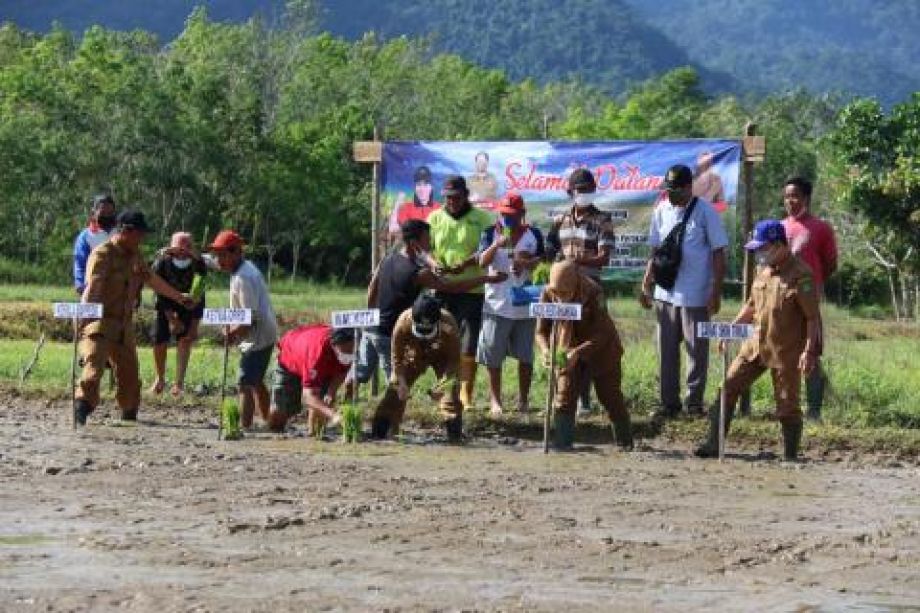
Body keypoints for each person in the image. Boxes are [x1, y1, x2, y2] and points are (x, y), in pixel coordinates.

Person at [695, 220, 821, 461]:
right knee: (727, 388)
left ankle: (790, 456)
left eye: (763, 248)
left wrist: (809, 351)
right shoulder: (762, 271)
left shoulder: (801, 274)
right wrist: (731, 331)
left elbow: (812, 317)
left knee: (787, 406)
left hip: (785, 351)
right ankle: (714, 444)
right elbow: (751, 306)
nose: (760, 254)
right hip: (753, 346)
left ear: (778, 245)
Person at [352, 219, 506, 389]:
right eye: (426, 239)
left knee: (359, 373)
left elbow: (372, 288)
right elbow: (452, 287)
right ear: (414, 243)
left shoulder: (388, 259)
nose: (430, 243)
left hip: (372, 326)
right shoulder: (419, 273)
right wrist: (487, 278)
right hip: (390, 332)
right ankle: (392, 413)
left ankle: (345, 401)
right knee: (397, 380)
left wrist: (371, 315)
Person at [74, 211, 195, 425]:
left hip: (123, 325)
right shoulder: (103, 254)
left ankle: (129, 417)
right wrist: (82, 322)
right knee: (93, 370)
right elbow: (92, 288)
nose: (142, 239)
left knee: (130, 379)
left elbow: (152, 280)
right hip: (99, 322)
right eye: (139, 234)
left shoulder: (135, 256)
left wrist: (179, 297)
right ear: (126, 231)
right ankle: (80, 413)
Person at [639, 164, 728, 419]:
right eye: (668, 189)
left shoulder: (705, 213)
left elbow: (718, 252)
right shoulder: (661, 210)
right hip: (665, 294)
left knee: (696, 350)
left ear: (689, 187)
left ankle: (694, 402)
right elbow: (655, 251)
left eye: (676, 189)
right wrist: (647, 282)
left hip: (695, 294)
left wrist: (716, 290)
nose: (671, 194)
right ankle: (669, 403)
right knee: (666, 350)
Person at [535, 261, 633, 451]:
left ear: (575, 283)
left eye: (565, 293)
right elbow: (540, 331)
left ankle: (625, 443)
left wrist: (578, 353)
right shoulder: (548, 293)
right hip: (566, 349)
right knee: (563, 398)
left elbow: (602, 334)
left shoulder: (593, 293)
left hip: (601, 353)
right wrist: (546, 350)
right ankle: (563, 447)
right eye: (556, 293)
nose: (560, 298)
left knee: (610, 397)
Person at [546, 168, 615, 415]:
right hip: (564, 293)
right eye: (580, 190)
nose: (584, 194)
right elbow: (551, 249)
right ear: (570, 192)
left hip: (591, 291)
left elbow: (604, 257)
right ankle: (564, 396)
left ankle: (585, 400)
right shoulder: (560, 220)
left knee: (589, 344)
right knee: (564, 341)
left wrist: (577, 263)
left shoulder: (602, 220)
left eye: (588, 190)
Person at [427, 175, 495, 410]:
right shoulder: (434, 218)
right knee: (441, 341)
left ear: (466, 195)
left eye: (456, 197)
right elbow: (426, 249)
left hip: (472, 289)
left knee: (468, 343)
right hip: (442, 289)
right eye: (448, 198)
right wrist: (434, 262)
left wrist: (466, 264)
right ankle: (444, 390)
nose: (452, 202)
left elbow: (487, 251)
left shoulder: (483, 219)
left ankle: (466, 394)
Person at [476, 193, 545, 415]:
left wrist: (525, 262)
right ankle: (496, 401)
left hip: (524, 304)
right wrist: (496, 245)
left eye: (512, 215)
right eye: (504, 214)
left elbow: (542, 261)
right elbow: (481, 262)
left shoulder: (534, 234)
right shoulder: (490, 233)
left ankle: (523, 401)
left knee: (525, 356)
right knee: (493, 355)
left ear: (522, 214)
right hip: (496, 304)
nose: (507, 218)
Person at [208, 230, 279, 430]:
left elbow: (249, 317)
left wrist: (232, 333)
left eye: (222, 255)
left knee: (244, 382)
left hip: (258, 336)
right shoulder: (240, 269)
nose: (218, 260)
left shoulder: (244, 278)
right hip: (262, 332)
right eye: (217, 255)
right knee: (256, 380)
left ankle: (243, 427)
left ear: (237, 253)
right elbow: (243, 314)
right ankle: (268, 420)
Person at [781, 176, 837, 422]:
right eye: (786, 196)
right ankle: (785, 406)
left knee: (810, 351)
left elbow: (830, 263)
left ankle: (814, 411)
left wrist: (812, 286)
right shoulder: (779, 227)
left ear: (806, 198)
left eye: (794, 196)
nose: (790, 201)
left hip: (808, 301)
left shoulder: (820, 228)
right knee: (781, 351)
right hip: (781, 299)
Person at [371, 295, 463, 441]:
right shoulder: (402, 323)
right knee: (394, 391)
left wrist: (443, 383)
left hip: (442, 357)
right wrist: (401, 382)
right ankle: (379, 432)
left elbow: (454, 360)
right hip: (413, 355)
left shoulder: (449, 325)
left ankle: (454, 436)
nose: (424, 334)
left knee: (450, 394)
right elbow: (397, 358)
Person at [148, 232, 208, 396]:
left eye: (187, 247)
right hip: (164, 304)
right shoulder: (161, 263)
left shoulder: (198, 264)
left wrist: (194, 324)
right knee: (159, 341)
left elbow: (199, 293)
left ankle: (178, 384)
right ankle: (159, 379)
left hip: (189, 304)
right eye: (179, 247)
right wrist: (172, 319)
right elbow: (158, 292)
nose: (183, 251)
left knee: (185, 340)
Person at [267, 325, 355, 433]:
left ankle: (314, 435)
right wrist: (334, 415)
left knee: (322, 405)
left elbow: (342, 370)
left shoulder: (349, 349)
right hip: (290, 360)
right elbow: (308, 396)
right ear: (334, 346)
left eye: (352, 350)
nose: (349, 354)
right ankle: (275, 432)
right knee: (279, 412)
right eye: (345, 351)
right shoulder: (316, 354)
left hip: (322, 364)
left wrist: (331, 391)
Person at [73, 194, 117, 296]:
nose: (106, 215)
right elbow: (80, 262)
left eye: (110, 212)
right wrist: (80, 284)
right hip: (92, 288)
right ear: (94, 212)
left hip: (117, 289)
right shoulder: (86, 236)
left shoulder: (120, 233)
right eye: (103, 212)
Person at [388, 166, 441, 242]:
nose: (422, 189)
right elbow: (393, 229)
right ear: (415, 187)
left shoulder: (438, 208)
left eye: (425, 185)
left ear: (431, 187)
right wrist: (398, 203)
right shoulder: (407, 208)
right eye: (418, 185)